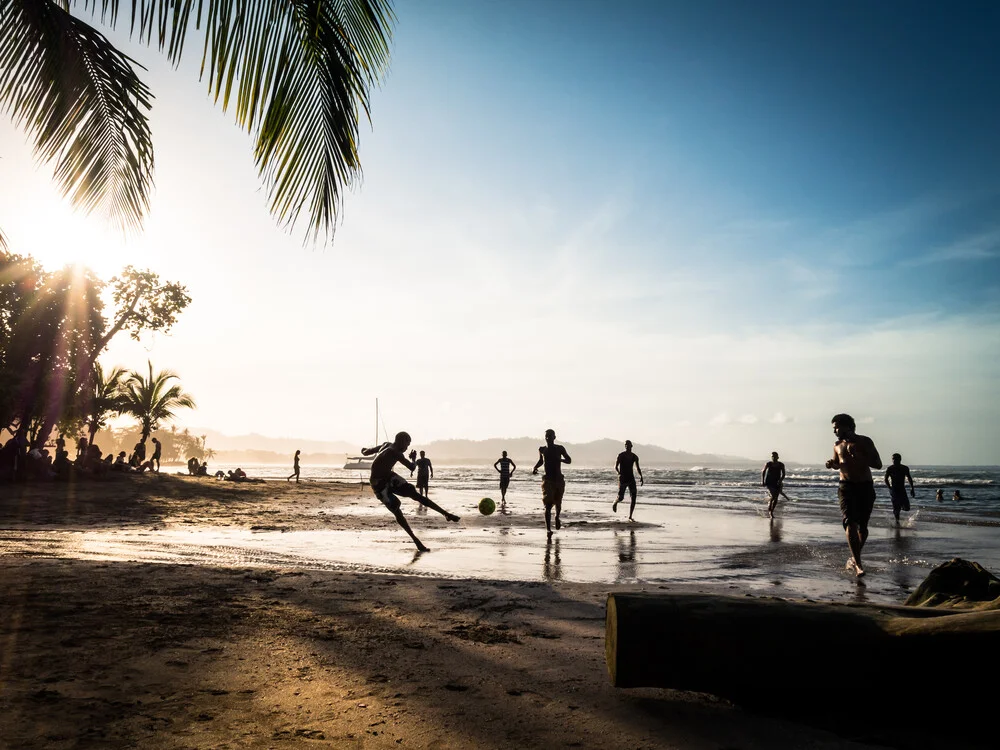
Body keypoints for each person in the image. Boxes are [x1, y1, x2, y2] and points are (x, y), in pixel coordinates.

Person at [365, 432, 459, 552]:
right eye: (407, 444)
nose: (407, 448)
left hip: (388, 476)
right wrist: (413, 459)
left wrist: (364, 451)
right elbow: (412, 467)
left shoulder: (386, 444)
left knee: (414, 494)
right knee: (397, 511)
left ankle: (446, 514)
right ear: (401, 441)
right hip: (378, 483)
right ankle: (416, 541)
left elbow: (368, 451)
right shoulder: (395, 452)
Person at [825, 413, 882, 577]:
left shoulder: (865, 441)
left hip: (865, 487)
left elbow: (878, 464)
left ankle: (853, 558)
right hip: (846, 487)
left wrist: (860, 457)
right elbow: (838, 464)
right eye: (833, 428)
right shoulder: (837, 445)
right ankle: (858, 564)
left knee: (862, 528)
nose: (834, 430)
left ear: (848, 426)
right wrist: (832, 464)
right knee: (850, 522)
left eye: (836, 427)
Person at [532, 428, 572, 538]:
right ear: (545, 438)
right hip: (547, 481)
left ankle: (557, 517)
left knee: (558, 504)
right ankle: (548, 529)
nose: (548, 437)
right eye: (547, 436)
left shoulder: (560, 448)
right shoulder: (542, 449)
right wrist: (535, 467)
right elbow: (541, 461)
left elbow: (569, 460)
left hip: (559, 480)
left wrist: (561, 460)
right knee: (548, 505)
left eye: (550, 435)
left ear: (554, 437)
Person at [613, 440, 643, 520]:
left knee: (634, 497)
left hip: (631, 479)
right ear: (625, 446)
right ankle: (615, 502)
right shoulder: (621, 455)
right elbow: (615, 467)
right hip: (623, 479)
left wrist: (641, 476)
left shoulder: (634, 457)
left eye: (629, 445)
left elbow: (638, 468)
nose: (627, 446)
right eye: (626, 445)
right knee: (621, 498)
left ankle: (630, 516)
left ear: (631, 446)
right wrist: (619, 473)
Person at [884, 453, 915, 524]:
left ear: (900, 460)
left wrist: (912, 489)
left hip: (902, 489)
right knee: (896, 508)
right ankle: (897, 522)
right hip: (894, 490)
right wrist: (890, 488)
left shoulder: (904, 468)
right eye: (893, 459)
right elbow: (885, 479)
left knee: (907, 508)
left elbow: (909, 478)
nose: (894, 460)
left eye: (896, 459)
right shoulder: (890, 468)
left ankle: (899, 507)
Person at [761, 451, 786, 519]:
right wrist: (763, 481)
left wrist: (780, 480)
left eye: (775, 456)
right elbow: (763, 471)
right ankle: (770, 512)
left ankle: (771, 510)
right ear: (771, 457)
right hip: (769, 482)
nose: (773, 457)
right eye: (772, 456)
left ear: (778, 457)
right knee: (773, 496)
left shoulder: (781, 464)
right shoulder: (769, 464)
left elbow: (783, 474)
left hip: (777, 482)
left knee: (776, 498)